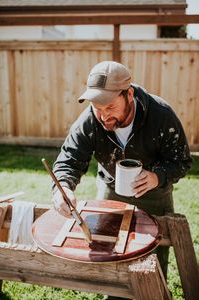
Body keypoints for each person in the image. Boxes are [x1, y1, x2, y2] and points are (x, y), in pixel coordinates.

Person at [52, 61, 192, 299]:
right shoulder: (91, 120)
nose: (103, 115)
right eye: (97, 107)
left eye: (109, 106)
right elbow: (69, 158)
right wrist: (62, 187)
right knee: (110, 257)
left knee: (151, 264)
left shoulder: (161, 115)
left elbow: (181, 160)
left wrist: (158, 176)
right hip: (110, 192)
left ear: (129, 94)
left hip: (154, 194)